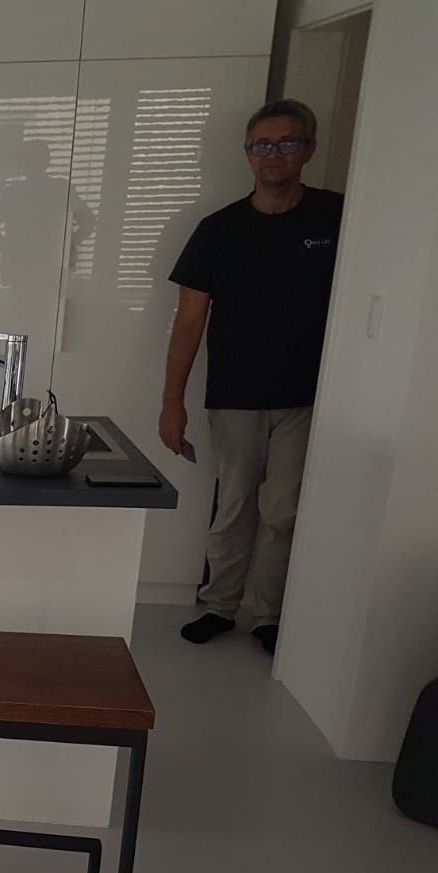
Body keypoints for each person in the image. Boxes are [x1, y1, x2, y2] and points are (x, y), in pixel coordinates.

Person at [160, 98, 343, 656]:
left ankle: (267, 615)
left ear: (308, 150)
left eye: (286, 143)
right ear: (247, 154)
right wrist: (172, 403)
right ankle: (220, 605)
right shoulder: (219, 230)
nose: (273, 154)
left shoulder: (338, 218)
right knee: (235, 504)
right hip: (236, 394)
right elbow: (189, 321)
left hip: (309, 396)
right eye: (261, 145)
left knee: (284, 509)